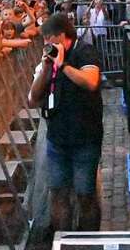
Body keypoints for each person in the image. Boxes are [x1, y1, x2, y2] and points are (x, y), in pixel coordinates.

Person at [28, 14, 103, 231]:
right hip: (57, 140)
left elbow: (91, 81)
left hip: (85, 138)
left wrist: (63, 66)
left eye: (48, 39)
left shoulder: (85, 51)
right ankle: (62, 239)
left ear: (61, 36)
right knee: (58, 193)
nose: (45, 45)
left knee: (85, 194)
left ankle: (88, 243)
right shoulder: (48, 61)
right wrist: (45, 69)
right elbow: (33, 99)